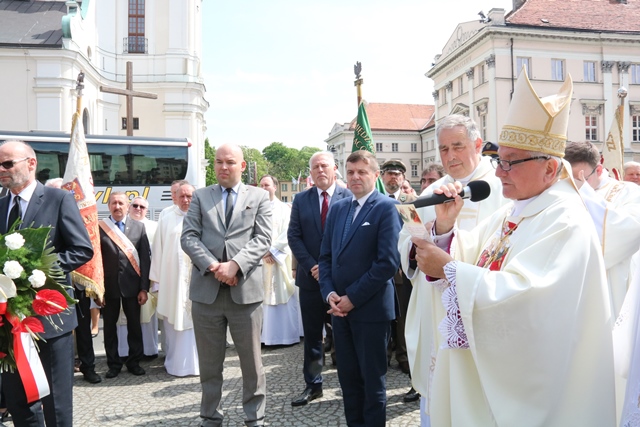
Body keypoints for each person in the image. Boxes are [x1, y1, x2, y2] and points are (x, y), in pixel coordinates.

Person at [410, 70, 615, 426]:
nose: (499, 171)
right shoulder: (515, 209)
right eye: (499, 160)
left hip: (538, 389)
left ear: (550, 168)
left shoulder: (565, 220)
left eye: (510, 162)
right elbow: (472, 252)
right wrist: (444, 229)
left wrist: (448, 269)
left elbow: (529, 299)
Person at [400, 114, 506, 416]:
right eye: (444, 149)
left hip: (481, 302)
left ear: (477, 144)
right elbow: (406, 242)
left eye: (458, 146)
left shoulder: (501, 187)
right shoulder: (432, 193)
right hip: (436, 303)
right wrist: (420, 243)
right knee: (440, 389)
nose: (450, 155)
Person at [0, 140, 93, 427]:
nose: (1, 170)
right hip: (9, 322)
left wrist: (37, 271)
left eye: (7, 164)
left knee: (56, 402)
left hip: (50, 319)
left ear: (31, 163)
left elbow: (82, 249)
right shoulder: (1, 205)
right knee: (18, 401)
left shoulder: (58, 199)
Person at [181, 143, 271, 427]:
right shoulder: (200, 196)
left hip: (245, 293)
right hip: (207, 293)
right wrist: (213, 266)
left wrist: (235, 265)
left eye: (230, 162)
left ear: (242, 166)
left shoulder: (259, 196)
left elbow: (262, 238)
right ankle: (210, 416)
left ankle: (254, 416)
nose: (223, 167)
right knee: (209, 364)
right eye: (219, 161)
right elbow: (189, 237)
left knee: (251, 362)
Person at [319, 150, 401, 427]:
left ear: (375, 175)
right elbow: (326, 257)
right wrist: (330, 294)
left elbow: (387, 263)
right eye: (351, 172)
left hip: (371, 311)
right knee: (348, 380)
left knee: (372, 382)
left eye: (362, 172)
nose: (355, 177)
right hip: (339, 312)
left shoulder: (387, 208)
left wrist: (352, 298)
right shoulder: (339, 208)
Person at [288, 151, 352, 407]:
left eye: (324, 165)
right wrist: (313, 266)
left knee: (345, 336)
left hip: (341, 281)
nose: (320, 170)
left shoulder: (349, 196)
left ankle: (348, 385)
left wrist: (330, 270)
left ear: (335, 169)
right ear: (310, 172)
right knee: (313, 336)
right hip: (310, 280)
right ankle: (313, 385)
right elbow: (294, 236)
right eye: (315, 167)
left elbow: (352, 238)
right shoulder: (300, 199)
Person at [564, 141, 640, 315]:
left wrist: (585, 192)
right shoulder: (563, 192)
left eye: (580, 178)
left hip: (611, 286)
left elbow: (630, 230)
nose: (573, 185)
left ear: (598, 170)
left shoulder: (629, 192)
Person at [99, 192, 151, 379]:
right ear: (109, 206)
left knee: (134, 327)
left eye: (121, 203)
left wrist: (144, 288)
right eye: (114, 203)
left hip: (133, 287)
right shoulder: (101, 228)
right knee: (109, 328)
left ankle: (134, 362)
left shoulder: (139, 227)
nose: (117, 206)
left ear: (128, 206)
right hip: (108, 287)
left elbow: (145, 260)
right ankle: (113, 364)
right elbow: (97, 262)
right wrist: (98, 290)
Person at [150, 182, 199, 376]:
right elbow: (158, 251)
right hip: (173, 282)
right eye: (182, 196)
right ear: (175, 198)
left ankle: (199, 364)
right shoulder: (167, 219)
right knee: (174, 320)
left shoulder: (203, 217)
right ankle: (175, 364)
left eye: (189, 196)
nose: (186, 200)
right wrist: (157, 282)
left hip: (198, 280)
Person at [379, 160, 415, 378]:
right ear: (382, 176)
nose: (393, 178)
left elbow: (416, 232)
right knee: (382, 314)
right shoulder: (376, 199)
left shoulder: (409, 202)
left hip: (401, 269)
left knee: (402, 316)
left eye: (397, 174)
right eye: (390, 174)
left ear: (403, 178)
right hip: (379, 267)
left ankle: (404, 356)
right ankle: (383, 355)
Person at [258, 174, 302, 346]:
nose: (264, 188)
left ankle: (285, 336)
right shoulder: (255, 208)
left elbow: (288, 232)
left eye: (267, 185)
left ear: (275, 187)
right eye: (261, 185)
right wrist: (262, 252)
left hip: (279, 259)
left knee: (283, 293)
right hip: (261, 260)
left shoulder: (284, 209)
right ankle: (264, 337)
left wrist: (272, 251)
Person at [116, 196, 159, 359]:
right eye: (135, 205)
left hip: (147, 278)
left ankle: (149, 349)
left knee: (147, 317)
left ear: (147, 210)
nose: (138, 209)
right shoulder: (116, 227)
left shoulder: (155, 227)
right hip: (124, 280)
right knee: (123, 318)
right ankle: (123, 351)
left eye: (142, 207)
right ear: (129, 207)